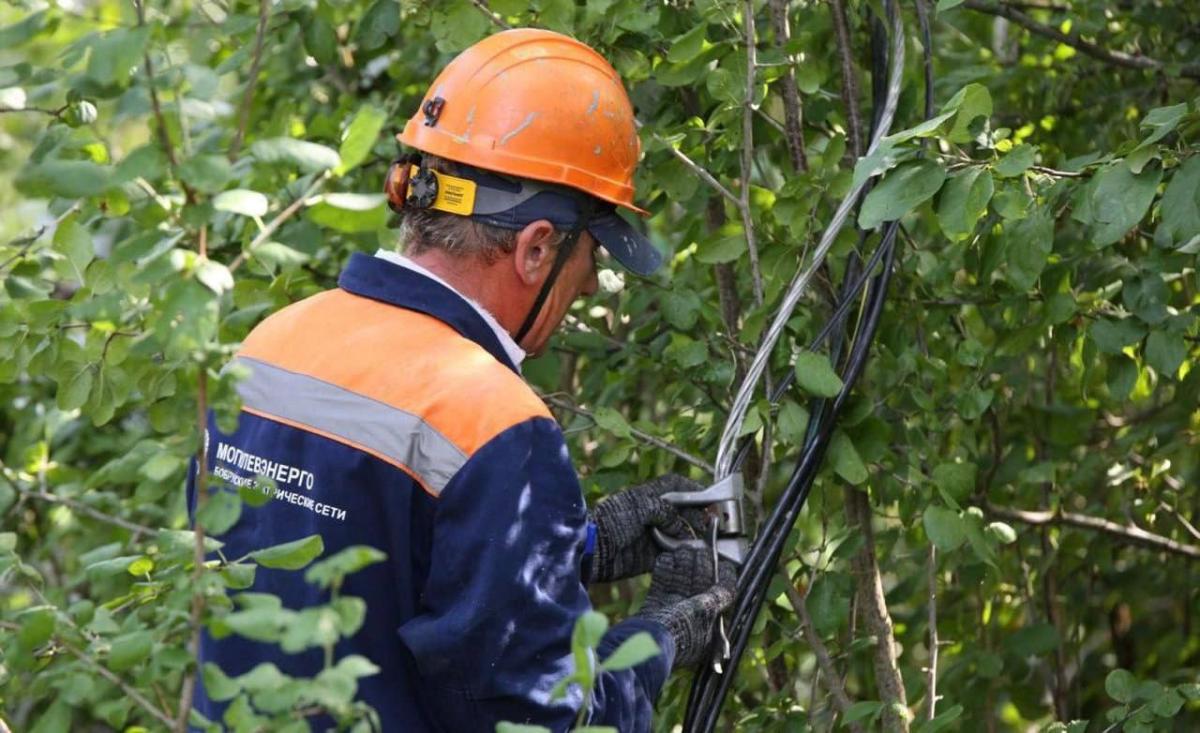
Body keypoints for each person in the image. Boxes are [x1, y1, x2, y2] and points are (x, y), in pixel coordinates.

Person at [189, 28, 734, 731]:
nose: (593, 280)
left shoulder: (269, 346)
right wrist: (660, 638)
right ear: (537, 248)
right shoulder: (492, 423)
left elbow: (340, 556)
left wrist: (577, 545)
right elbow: (539, 719)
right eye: (591, 254)